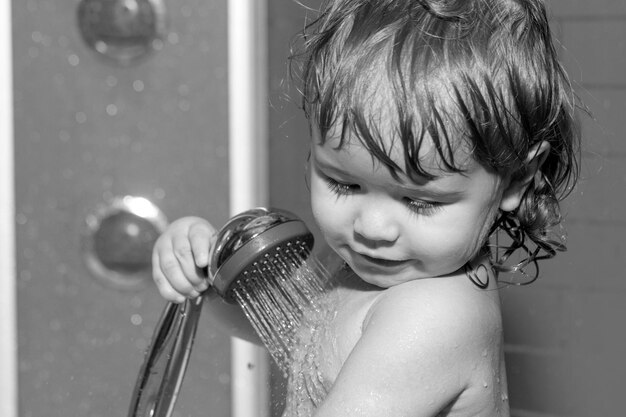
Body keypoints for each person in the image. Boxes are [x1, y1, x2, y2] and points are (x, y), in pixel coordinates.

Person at [151, 0, 581, 415]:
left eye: (419, 200)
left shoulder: (433, 317)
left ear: (518, 179)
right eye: (344, 182)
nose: (372, 227)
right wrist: (204, 279)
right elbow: (296, 343)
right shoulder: (366, 270)